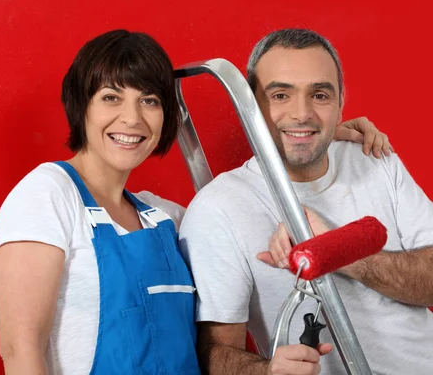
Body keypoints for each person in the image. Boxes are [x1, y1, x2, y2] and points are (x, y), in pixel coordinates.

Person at [0, 29, 392, 375]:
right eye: (111, 98)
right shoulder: (48, 194)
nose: (132, 119)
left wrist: (314, 134)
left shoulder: (165, 217)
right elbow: (20, 350)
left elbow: (237, 220)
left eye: (149, 101)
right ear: (82, 107)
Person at [179, 28, 433, 375]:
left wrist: (338, 252)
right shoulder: (218, 207)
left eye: (320, 95)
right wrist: (268, 371)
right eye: (281, 95)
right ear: (250, 103)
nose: (302, 114)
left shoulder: (376, 160)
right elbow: (213, 353)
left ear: (341, 100)